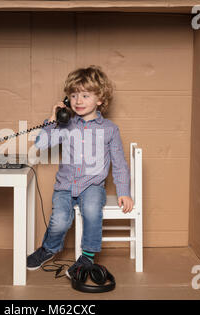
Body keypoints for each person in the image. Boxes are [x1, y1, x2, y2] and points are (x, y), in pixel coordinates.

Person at [27, 65, 134, 278]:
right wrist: (53, 119)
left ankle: (87, 257)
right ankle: (49, 249)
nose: (78, 101)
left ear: (100, 99)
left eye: (85, 95)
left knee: (93, 211)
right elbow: (41, 143)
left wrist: (124, 191)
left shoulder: (110, 129)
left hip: (92, 185)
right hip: (66, 185)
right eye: (73, 95)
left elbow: (120, 163)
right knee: (59, 219)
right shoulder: (65, 125)